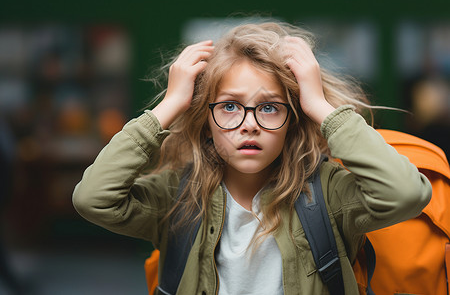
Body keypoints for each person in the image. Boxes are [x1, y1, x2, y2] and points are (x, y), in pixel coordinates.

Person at [72, 21, 432, 294]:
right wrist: (169, 106)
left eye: (270, 107)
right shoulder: (178, 198)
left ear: (294, 118)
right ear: (205, 119)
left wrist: (321, 107)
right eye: (229, 106)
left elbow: (407, 194)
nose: (248, 125)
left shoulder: (327, 194)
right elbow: (93, 199)